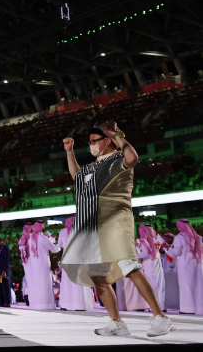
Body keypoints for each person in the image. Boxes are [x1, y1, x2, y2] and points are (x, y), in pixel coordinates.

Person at [60, 122, 175, 336]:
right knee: (97, 276)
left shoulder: (117, 160)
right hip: (91, 224)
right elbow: (77, 178)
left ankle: (161, 317)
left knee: (129, 266)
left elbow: (132, 158)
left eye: (95, 141)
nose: (91, 145)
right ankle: (117, 323)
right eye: (90, 142)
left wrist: (117, 133)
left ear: (108, 141)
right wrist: (70, 153)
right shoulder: (91, 167)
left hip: (115, 219)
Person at [57, 217, 94, 311]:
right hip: (79, 259)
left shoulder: (62, 232)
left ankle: (66, 304)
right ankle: (80, 305)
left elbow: (59, 245)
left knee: (67, 283)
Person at [26, 220, 59, 310]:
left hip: (34, 266)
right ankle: (47, 305)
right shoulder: (42, 237)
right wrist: (55, 242)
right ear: (42, 226)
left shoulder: (30, 238)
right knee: (45, 286)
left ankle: (38, 305)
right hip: (43, 265)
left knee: (37, 285)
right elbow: (54, 250)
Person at [172, 218, 203, 314]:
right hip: (197, 265)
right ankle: (198, 308)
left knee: (186, 287)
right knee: (197, 287)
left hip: (185, 266)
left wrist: (169, 250)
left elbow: (177, 252)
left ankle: (187, 309)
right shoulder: (198, 237)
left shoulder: (179, 237)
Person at [137, 224, 166, 311]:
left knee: (152, 286)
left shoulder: (144, 241)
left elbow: (145, 253)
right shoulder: (156, 240)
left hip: (149, 266)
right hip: (157, 266)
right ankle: (161, 306)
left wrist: (133, 256)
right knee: (159, 286)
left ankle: (155, 307)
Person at [0, 237, 13, 307]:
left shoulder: (5, 248)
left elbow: (6, 260)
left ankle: (7, 302)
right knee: (0, 286)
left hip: (3, 270)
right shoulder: (0, 249)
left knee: (5, 286)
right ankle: (2, 301)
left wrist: (4, 270)